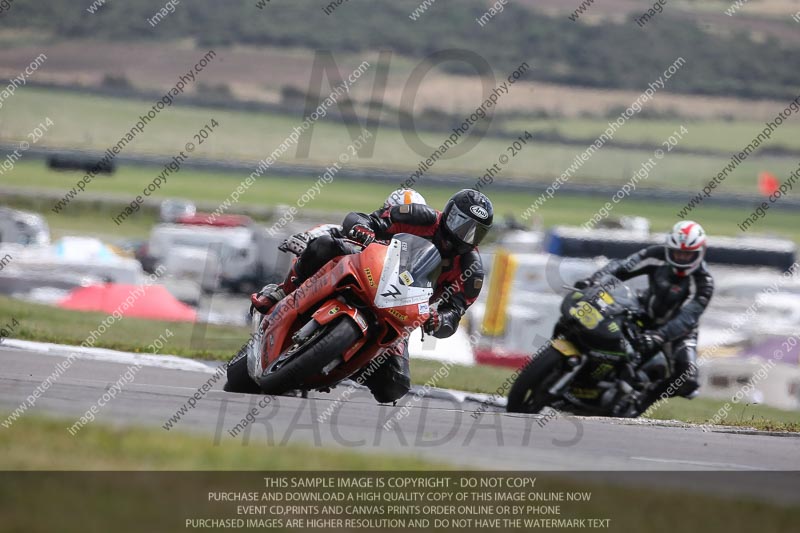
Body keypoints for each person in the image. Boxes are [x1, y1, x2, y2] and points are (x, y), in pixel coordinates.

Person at [252, 188, 492, 403]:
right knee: (325, 245)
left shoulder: (472, 271)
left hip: (403, 309)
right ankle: (283, 291)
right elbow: (364, 219)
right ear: (448, 213)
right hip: (368, 266)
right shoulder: (419, 216)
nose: (465, 235)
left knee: (394, 385)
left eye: (475, 232)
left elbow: (455, 312)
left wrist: (439, 319)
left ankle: (347, 365)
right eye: (461, 224)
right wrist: (363, 229)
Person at [575, 220, 714, 404]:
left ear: (700, 252)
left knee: (688, 377)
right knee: (600, 323)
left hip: (678, 331)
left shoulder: (704, 282)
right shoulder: (655, 254)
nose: (681, 258)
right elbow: (622, 267)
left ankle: (643, 401)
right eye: (677, 253)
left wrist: (659, 336)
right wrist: (594, 281)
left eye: (687, 255)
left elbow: (687, 317)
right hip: (643, 310)